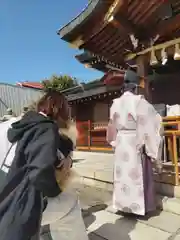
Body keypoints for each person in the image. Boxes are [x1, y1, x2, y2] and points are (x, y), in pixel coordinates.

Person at [0, 90, 74, 240]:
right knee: (71, 203)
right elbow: (40, 173)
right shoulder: (45, 128)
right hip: (15, 211)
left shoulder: (14, 125)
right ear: (60, 112)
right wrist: (55, 190)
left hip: (4, 194)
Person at [107, 82, 162, 216]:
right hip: (134, 140)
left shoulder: (115, 103)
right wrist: (150, 144)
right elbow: (150, 121)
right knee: (137, 173)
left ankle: (122, 206)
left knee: (122, 175)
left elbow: (111, 126)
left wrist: (114, 141)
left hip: (121, 141)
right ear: (135, 89)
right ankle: (140, 208)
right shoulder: (138, 101)